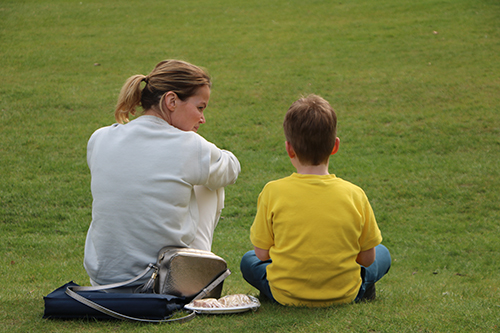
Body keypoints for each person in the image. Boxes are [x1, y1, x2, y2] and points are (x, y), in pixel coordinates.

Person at [84, 59, 241, 288]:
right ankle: (197, 279)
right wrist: (200, 148)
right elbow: (232, 169)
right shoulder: (190, 146)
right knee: (209, 183)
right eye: (200, 108)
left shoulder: (99, 138)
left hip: (103, 282)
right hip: (162, 284)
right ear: (171, 101)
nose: (202, 119)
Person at [240, 94, 391, 306]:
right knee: (382, 252)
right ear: (335, 146)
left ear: (289, 148)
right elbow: (367, 259)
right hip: (345, 293)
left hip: (286, 293)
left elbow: (261, 253)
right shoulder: (355, 194)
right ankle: (362, 288)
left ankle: (276, 289)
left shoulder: (272, 191)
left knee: (248, 260)